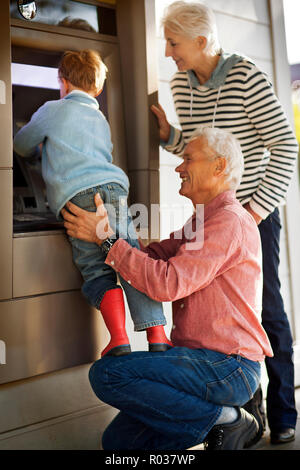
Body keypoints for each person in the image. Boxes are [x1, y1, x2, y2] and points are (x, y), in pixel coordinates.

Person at [61, 126, 273, 450]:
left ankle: (226, 420)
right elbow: (153, 258)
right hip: (197, 359)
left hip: (228, 367)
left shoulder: (228, 221)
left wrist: (105, 238)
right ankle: (209, 426)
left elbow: (167, 283)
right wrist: (114, 231)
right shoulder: (202, 220)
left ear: (219, 167)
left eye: (188, 158)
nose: (178, 167)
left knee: (107, 375)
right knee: (119, 442)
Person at [150, 1, 298, 445]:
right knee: (219, 317)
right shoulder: (180, 84)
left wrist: (253, 213)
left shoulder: (245, 77)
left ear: (201, 41)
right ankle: (244, 418)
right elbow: (202, 152)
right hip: (212, 218)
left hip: (254, 214)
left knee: (265, 310)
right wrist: (171, 138)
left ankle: (284, 412)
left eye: (174, 43)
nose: (169, 51)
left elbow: (286, 147)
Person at [13, 49, 171, 358]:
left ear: (63, 82)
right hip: (114, 191)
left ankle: (119, 339)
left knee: (95, 268)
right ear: (98, 88)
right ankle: (159, 335)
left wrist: (43, 147)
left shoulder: (51, 109)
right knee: (131, 260)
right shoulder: (100, 118)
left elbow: (20, 144)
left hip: (79, 198)